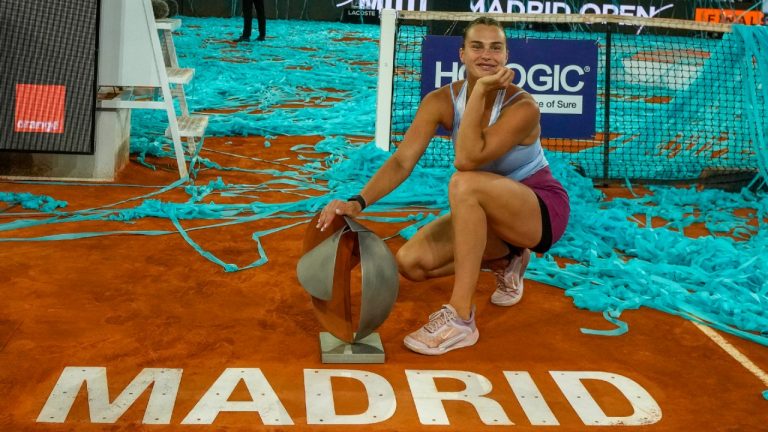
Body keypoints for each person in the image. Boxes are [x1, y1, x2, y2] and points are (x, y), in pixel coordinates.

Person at [316, 17, 570, 355]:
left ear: (506, 56)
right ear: (462, 53)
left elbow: (467, 159)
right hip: (489, 216)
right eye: (477, 46)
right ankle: (506, 258)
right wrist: (357, 202)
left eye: (496, 48)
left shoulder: (523, 107)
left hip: (537, 211)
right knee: (411, 262)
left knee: (464, 183)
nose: (486, 55)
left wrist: (480, 90)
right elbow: (402, 161)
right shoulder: (440, 101)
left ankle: (461, 319)